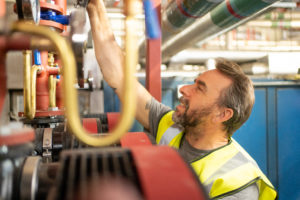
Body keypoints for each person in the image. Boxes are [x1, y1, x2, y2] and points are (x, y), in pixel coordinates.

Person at [87, 0, 277, 199]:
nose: (184, 89)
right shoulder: (171, 124)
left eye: (199, 89)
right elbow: (120, 76)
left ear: (222, 114)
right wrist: (94, 6)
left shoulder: (237, 186)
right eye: (193, 83)